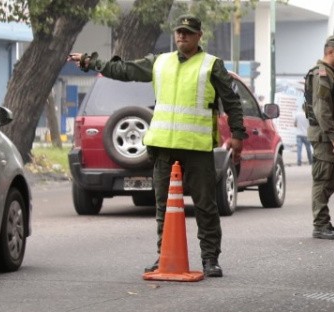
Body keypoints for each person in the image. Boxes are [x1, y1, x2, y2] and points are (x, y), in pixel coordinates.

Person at [68, 14, 244, 278]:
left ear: (199, 36)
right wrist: (91, 62)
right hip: (162, 146)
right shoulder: (160, 62)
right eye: (179, 32)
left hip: (196, 148)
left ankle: (210, 258)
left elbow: (231, 100)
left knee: (205, 205)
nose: (182, 36)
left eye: (187, 32)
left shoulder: (211, 65)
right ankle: (165, 255)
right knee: (164, 205)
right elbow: (124, 69)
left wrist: (238, 134)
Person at [305, 35, 334, 240]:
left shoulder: (331, 74)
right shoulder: (322, 74)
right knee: (323, 181)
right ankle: (320, 224)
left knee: (327, 181)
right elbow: (321, 109)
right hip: (325, 136)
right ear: (331, 51)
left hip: (327, 135)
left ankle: (324, 223)